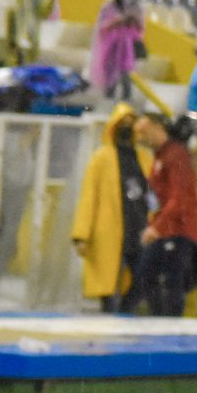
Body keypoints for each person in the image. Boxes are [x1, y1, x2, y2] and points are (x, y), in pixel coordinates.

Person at [71, 103, 152, 312]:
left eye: (131, 123)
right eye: (123, 123)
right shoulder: (101, 158)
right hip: (109, 231)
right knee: (109, 286)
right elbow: (89, 197)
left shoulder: (144, 158)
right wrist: (82, 235)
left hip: (140, 230)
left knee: (138, 281)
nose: (127, 127)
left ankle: (126, 316)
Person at [132, 112, 197, 316]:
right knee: (156, 277)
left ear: (158, 127)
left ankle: (168, 322)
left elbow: (179, 197)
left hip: (177, 230)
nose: (140, 137)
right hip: (168, 229)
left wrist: (157, 227)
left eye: (143, 131)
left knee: (166, 279)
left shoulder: (175, 155)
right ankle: (163, 320)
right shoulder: (161, 156)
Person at [88, 0, 147, 101]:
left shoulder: (136, 8)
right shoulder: (108, 8)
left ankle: (126, 103)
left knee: (126, 77)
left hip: (127, 48)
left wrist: (134, 20)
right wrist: (117, 21)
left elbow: (140, 28)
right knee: (110, 78)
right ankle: (108, 101)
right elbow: (102, 27)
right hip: (111, 47)